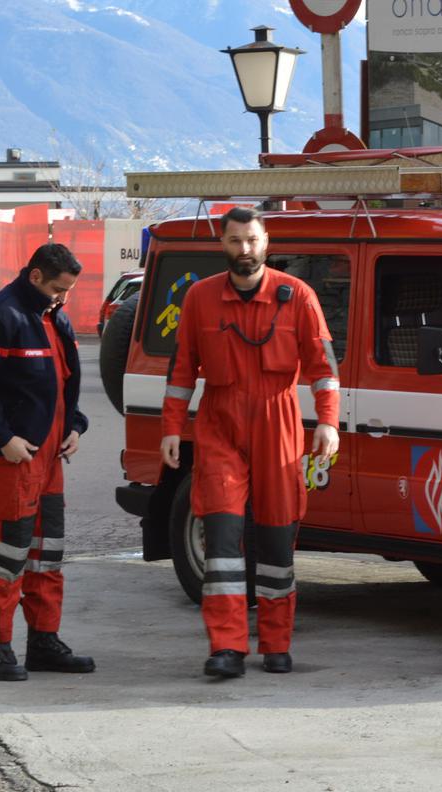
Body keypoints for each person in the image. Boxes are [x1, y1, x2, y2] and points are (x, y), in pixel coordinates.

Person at [160, 207, 340, 679]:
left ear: (266, 241)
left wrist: (328, 423)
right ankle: (227, 647)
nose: (245, 249)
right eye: (236, 241)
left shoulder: (297, 296)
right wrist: (170, 429)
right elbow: (180, 373)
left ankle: (277, 644)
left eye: (253, 240)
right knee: (220, 538)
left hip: (278, 420)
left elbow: (323, 368)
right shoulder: (200, 298)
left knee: (278, 536)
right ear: (223, 243)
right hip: (219, 423)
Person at [0, 243, 94, 682]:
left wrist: (75, 426)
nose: (62, 297)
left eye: (67, 290)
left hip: (49, 459)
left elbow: (62, 385)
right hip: (15, 459)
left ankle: (43, 641)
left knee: (47, 555)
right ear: (35, 277)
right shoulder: (0, 316)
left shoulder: (54, 316)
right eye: (56, 288)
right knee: (9, 556)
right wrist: (0, 438)